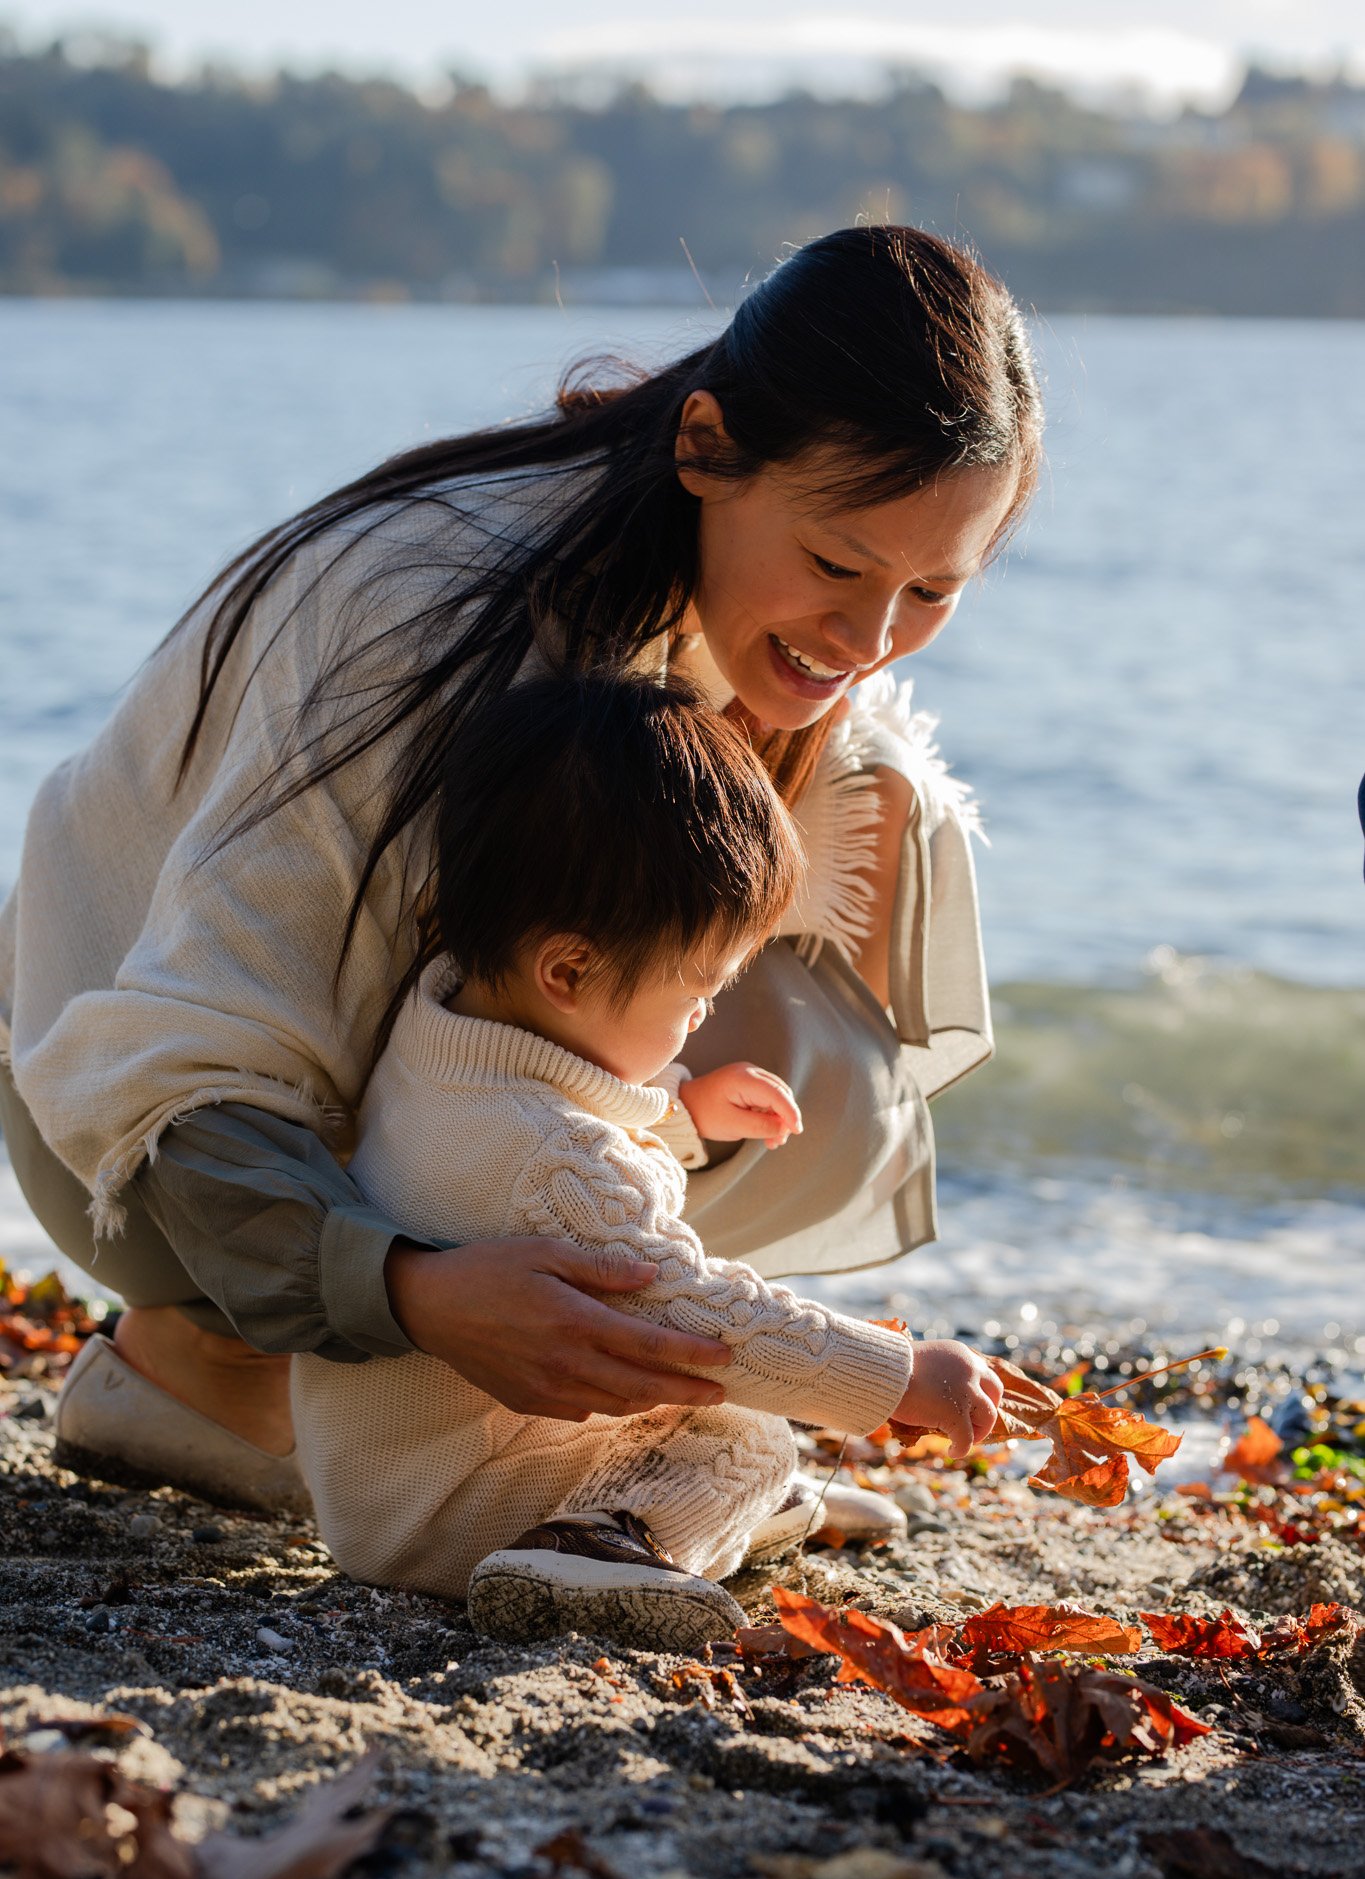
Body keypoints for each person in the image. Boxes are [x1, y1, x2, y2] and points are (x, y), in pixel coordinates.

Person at [0, 223, 1041, 1516]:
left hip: (324, 1114)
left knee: (825, 1047)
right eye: (837, 565)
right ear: (706, 446)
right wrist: (415, 1296)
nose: (870, 640)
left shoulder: (696, 605)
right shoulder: (428, 618)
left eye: (932, 591)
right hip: (130, 1138)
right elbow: (185, 1056)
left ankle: (340, 1390)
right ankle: (220, 1356)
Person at [292, 670, 1003, 1646]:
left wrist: (678, 1112)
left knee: (713, 1418)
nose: (705, 1012)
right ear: (570, 970)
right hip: (444, 1509)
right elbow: (708, 1317)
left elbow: (521, 1160)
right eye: (700, 985)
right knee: (743, 1425)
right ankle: (594, 1547)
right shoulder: (553, 1155)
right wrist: (901, 1373)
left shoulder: (439, 1020)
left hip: (390, 1471)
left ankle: (693, 1513)